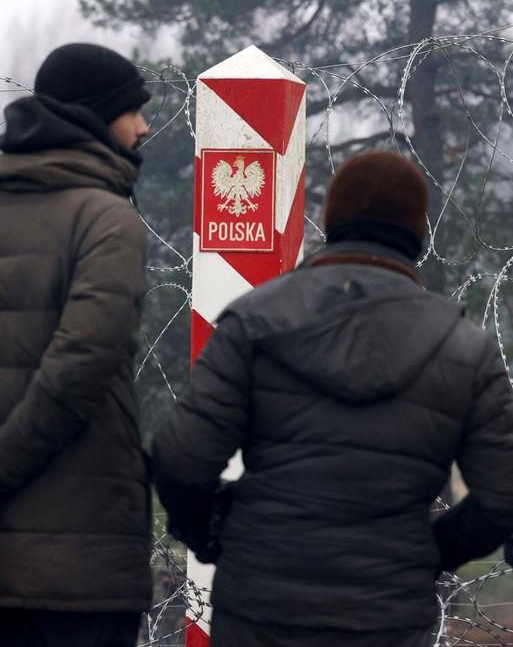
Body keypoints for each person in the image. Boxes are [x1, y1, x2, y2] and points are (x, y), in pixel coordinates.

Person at [152, 150, 513, 647]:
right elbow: (503, 494)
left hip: (261, 602)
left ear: (331, 220)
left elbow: (180, 459)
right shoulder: (465, 348)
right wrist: (427, 551)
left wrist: (219, 535)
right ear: (418, 231)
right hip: (388, 611)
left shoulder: (253, 322)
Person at [0, 43, 153, 647]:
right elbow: (81, 366)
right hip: (80, 569)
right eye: (132, 110)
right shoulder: (106, 218)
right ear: (94, 116)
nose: (144, 126)